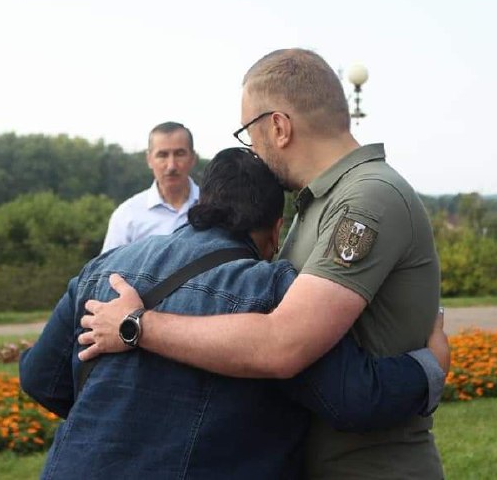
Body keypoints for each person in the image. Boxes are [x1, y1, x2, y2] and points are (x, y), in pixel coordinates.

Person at [79, 48, 445, 478]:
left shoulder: (366, 198)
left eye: (248, 133)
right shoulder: (321, 201)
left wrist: (137, 325)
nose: (251, 147)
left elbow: (283, 344)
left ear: (278, 126)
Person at [20, 148, 448, 479]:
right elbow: (355, 399)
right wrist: (429, 367)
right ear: (276, 230)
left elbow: (39, 378)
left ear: (204, 203)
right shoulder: (270, 289)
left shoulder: (103, 270)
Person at [101, 121, 200, 252]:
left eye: (179, 154)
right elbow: (108, 269)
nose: (171, 165)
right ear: (149, 159)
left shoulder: (214, 207)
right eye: (162, 155)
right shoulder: (127, 215)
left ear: (193, 158)